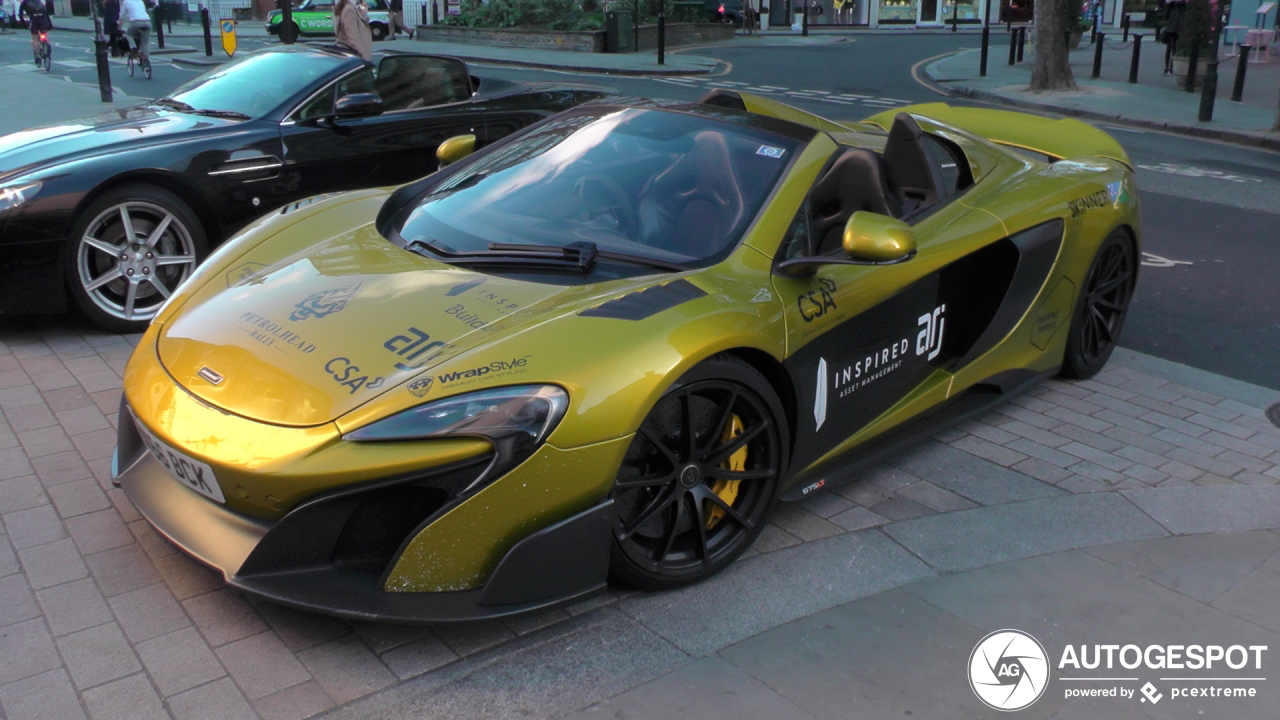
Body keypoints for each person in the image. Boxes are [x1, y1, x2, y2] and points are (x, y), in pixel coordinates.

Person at [18, 0, 52, 64]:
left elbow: (20, 14)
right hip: (43, 20)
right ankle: (46, 44)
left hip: (34, 21)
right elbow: (45, 12)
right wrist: (50, 25)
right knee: (44, 34)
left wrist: (23, 24)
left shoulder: (24, 2)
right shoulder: (39, 1)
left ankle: (37, 55)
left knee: (35, 38)